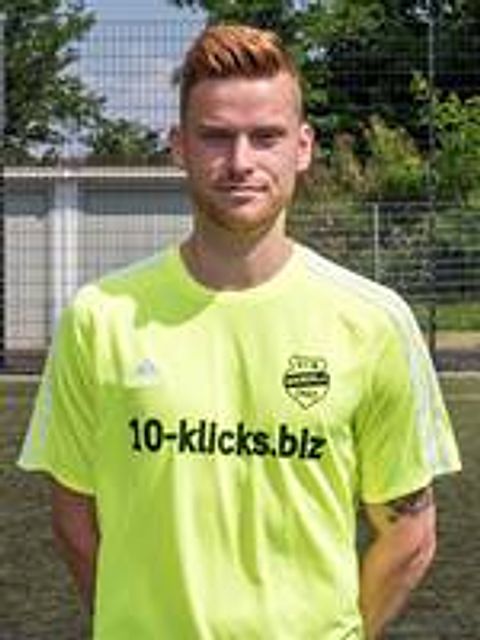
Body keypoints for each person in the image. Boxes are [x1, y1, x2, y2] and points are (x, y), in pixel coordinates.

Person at [18, 24, 461, 640]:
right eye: (216, 136)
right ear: (179, 147)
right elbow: (73, 520)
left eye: (266, 137)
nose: (240, 162)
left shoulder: (374, 320)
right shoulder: (100, 317)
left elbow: (410, 532)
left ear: (302, 147)